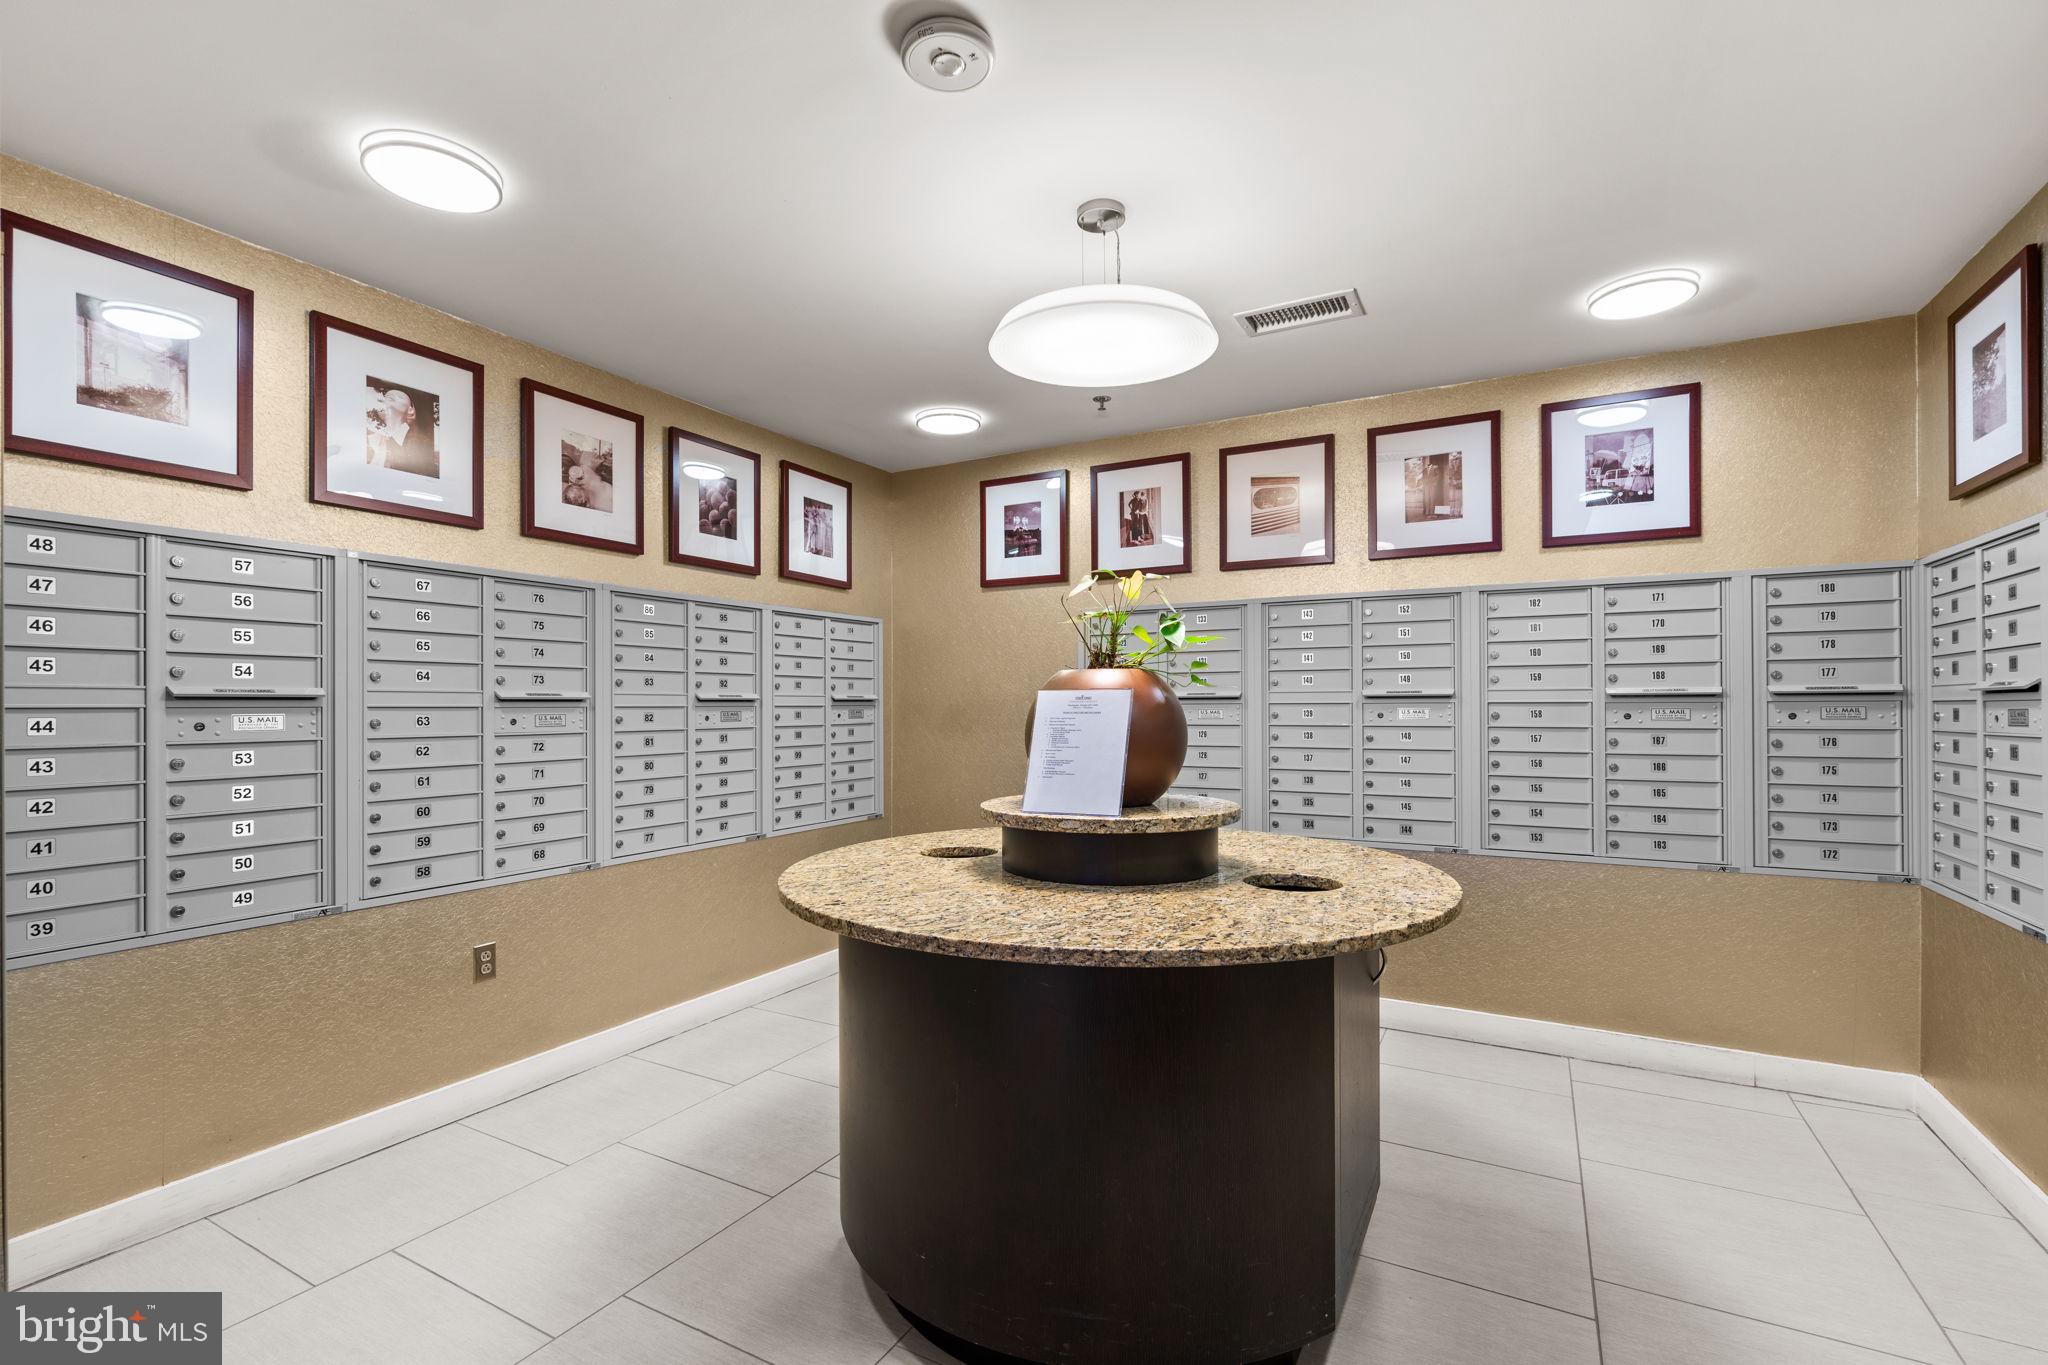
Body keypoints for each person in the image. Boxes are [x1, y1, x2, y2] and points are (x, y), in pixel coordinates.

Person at [366, 387, 437, 475]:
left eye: (394, 398)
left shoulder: (418, 445)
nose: (386, 401)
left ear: (411, 410)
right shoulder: (370, 434)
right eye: (386, 398)